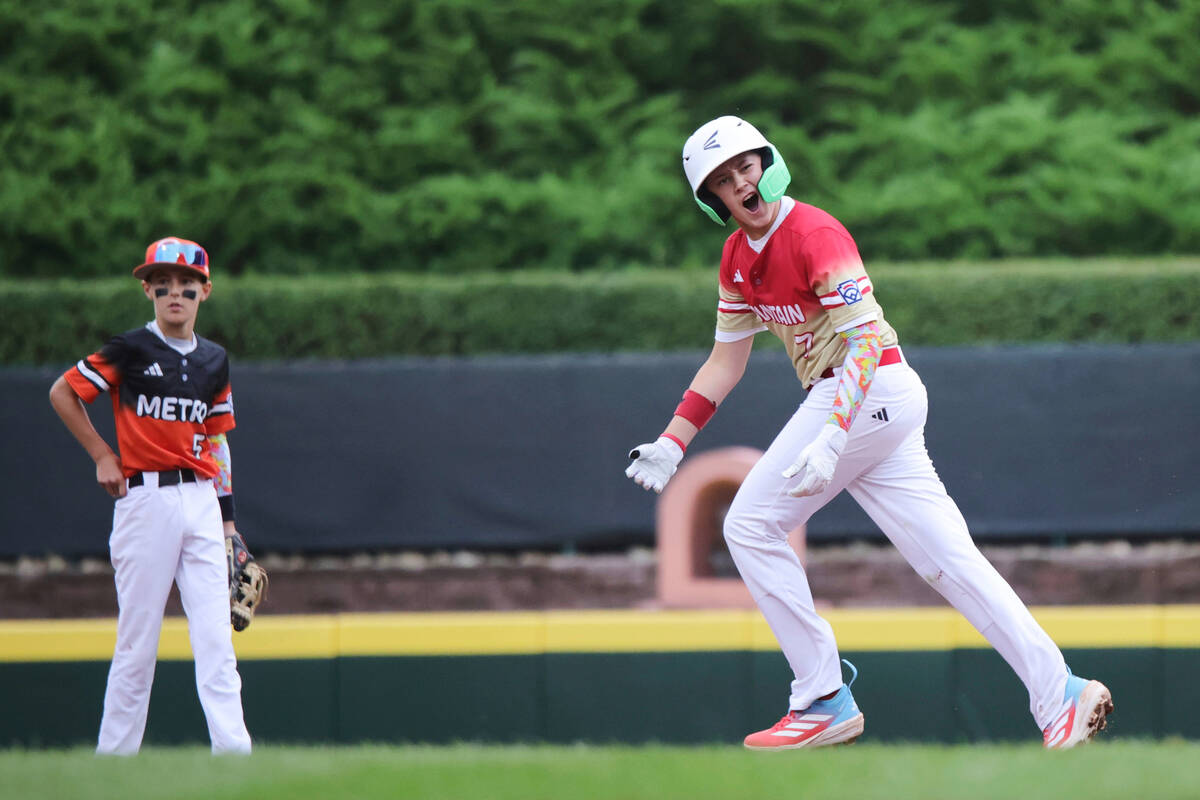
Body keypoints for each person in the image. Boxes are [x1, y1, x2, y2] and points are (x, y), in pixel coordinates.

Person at [624, 116, 1113, 750]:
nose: (740, 183)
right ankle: (1062, 694)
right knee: (948, 562)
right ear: (711, 199)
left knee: (749, 525)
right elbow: (725, 361)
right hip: (872, 403)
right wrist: (673, 441)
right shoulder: (737, 258)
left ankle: (822, 697)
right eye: (722, 179)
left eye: (745, 166)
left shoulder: (815, 233)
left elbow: (865, 341)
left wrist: (833, 432)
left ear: (768, 163)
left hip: (867, 389)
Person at [48, 237, 253, 755]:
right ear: (148, 291)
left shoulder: (214, 359)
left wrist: (229, 526)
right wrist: (101, 453)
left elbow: (216, 441)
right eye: (163, 284)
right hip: (146, 500)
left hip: (201, 499)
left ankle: (236, 759)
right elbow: (64, 391)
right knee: (137, 646)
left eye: (187, 283)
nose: (174, 292)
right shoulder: (130, 349)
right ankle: (115, 762)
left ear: (205, 291)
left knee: (216, 642)